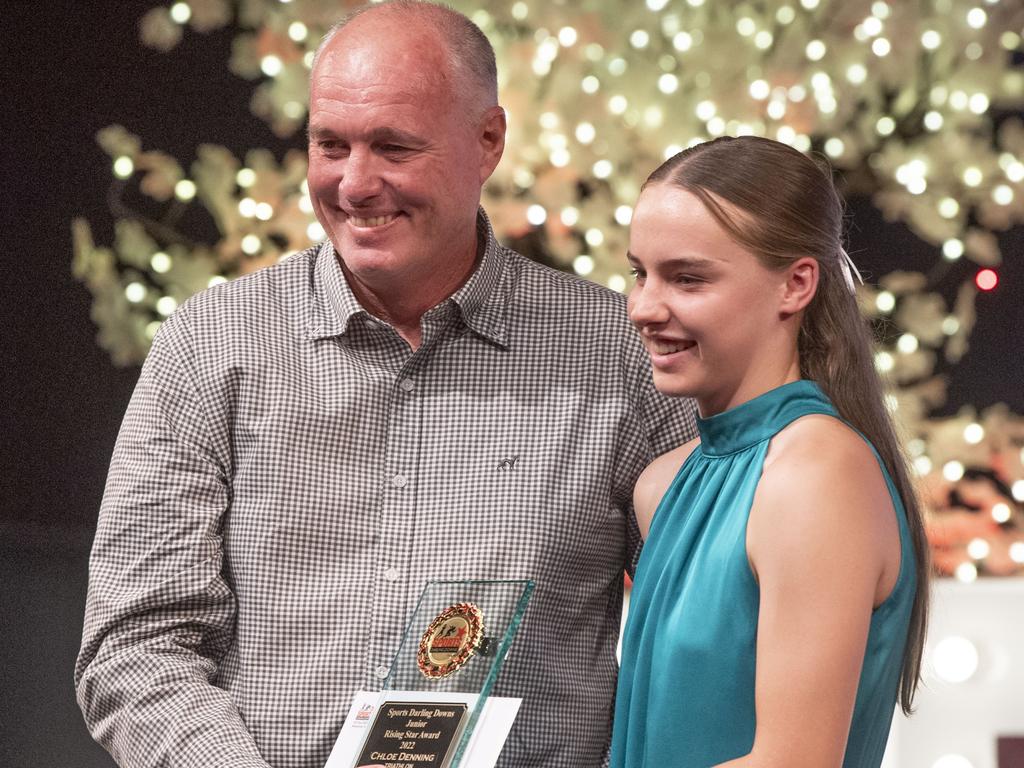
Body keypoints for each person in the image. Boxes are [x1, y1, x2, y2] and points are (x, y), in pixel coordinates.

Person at [75, 2, 695, 767]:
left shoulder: (620, 357)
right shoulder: (210, 345)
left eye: (394, 147)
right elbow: (137, 642)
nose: (356, 183)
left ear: (488, 142)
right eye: (330, 146)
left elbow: (702, 629)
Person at [609, 136, 930, 767]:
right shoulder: (662, 484)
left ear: (796, 284)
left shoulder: (817, 473)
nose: (644, 308)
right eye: (639, 273)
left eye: (688, 278)